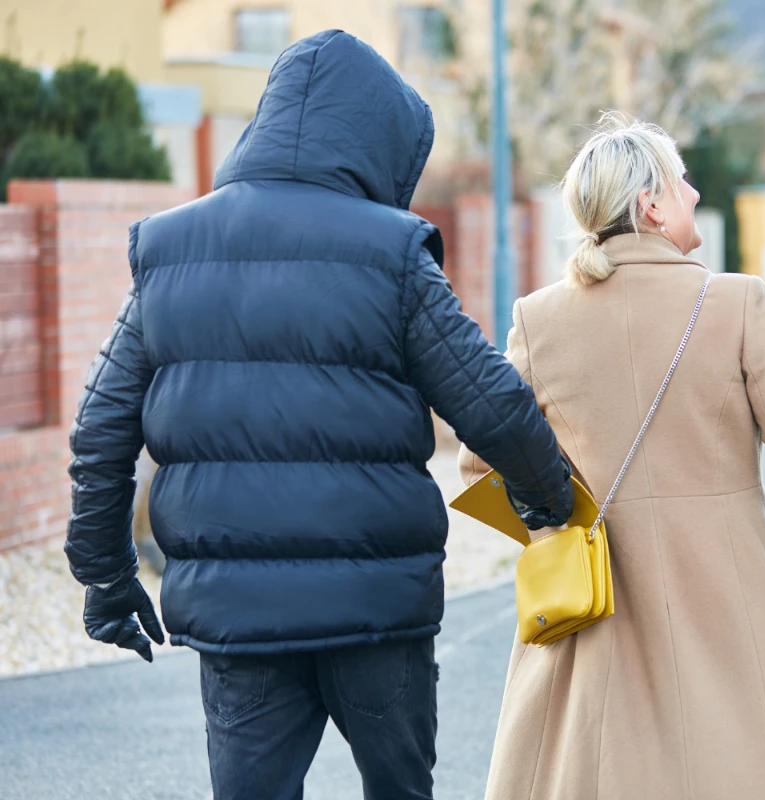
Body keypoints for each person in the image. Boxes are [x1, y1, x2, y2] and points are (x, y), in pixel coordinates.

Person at [64, 30, 574, 800]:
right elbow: (491, 402)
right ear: (379, 140)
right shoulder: (394, 254)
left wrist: (105, 579)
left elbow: (100, 429)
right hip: (379, 613)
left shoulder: (170, 251)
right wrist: (553, 501)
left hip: (240, 621)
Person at [458, 115, 765, 800]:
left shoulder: (540, 317)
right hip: (729, 594)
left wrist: (559, 529)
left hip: (596, 600)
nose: (694, 192)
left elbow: (479, 464)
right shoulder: (735, 303)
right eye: (681, 181)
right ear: (650, 203)